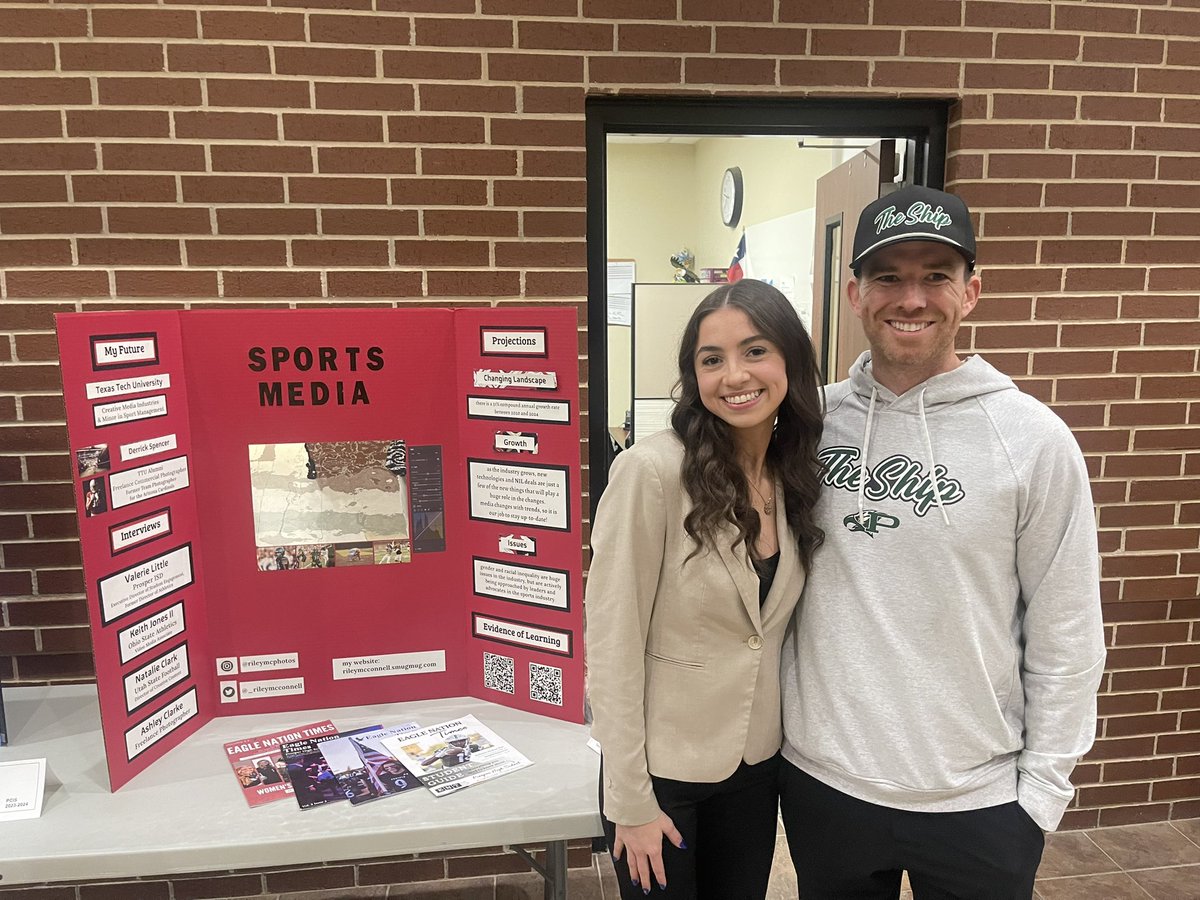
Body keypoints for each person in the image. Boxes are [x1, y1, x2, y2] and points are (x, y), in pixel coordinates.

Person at [778, 185, 1105, 900]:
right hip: (823, 784)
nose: (912, 298)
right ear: (857, 293)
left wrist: (1041, 796)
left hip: (979, 804)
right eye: (889, 276)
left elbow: (1069, 629)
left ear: (971, 292)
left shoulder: (1033, 440)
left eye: (936, 276)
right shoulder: (807, 424)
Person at [587, 280, 824, 899]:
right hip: (663, 772)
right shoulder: (652, 470)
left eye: (755, 351)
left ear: (790, 362)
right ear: (693, 376)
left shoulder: (791, 469)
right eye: (711, 359)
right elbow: (612, 641)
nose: (733, 375)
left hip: (754, 765)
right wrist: (629, 799)